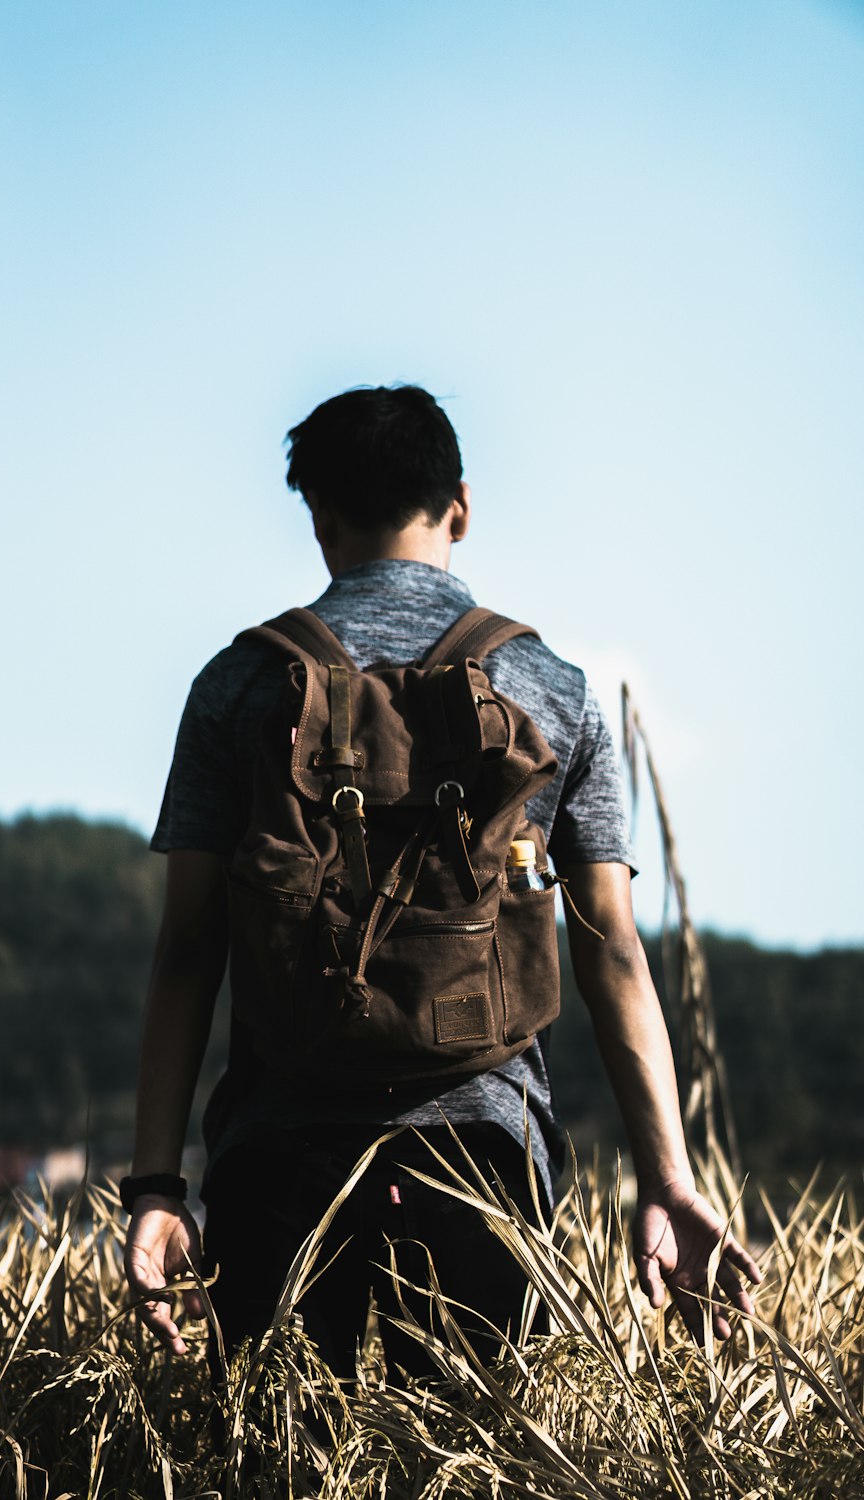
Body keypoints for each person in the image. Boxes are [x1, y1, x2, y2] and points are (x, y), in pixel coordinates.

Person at [122, 384, 761, 1375]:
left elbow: (186, 953)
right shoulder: (550, 689)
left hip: (279, 1153)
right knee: (475, 1463)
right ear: (458, 504)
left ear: (319, 515)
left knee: (277, 1464)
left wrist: (156, 1185)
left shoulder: (240, 687)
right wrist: (667, 1180)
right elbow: (612, 950)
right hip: (483, 1149)